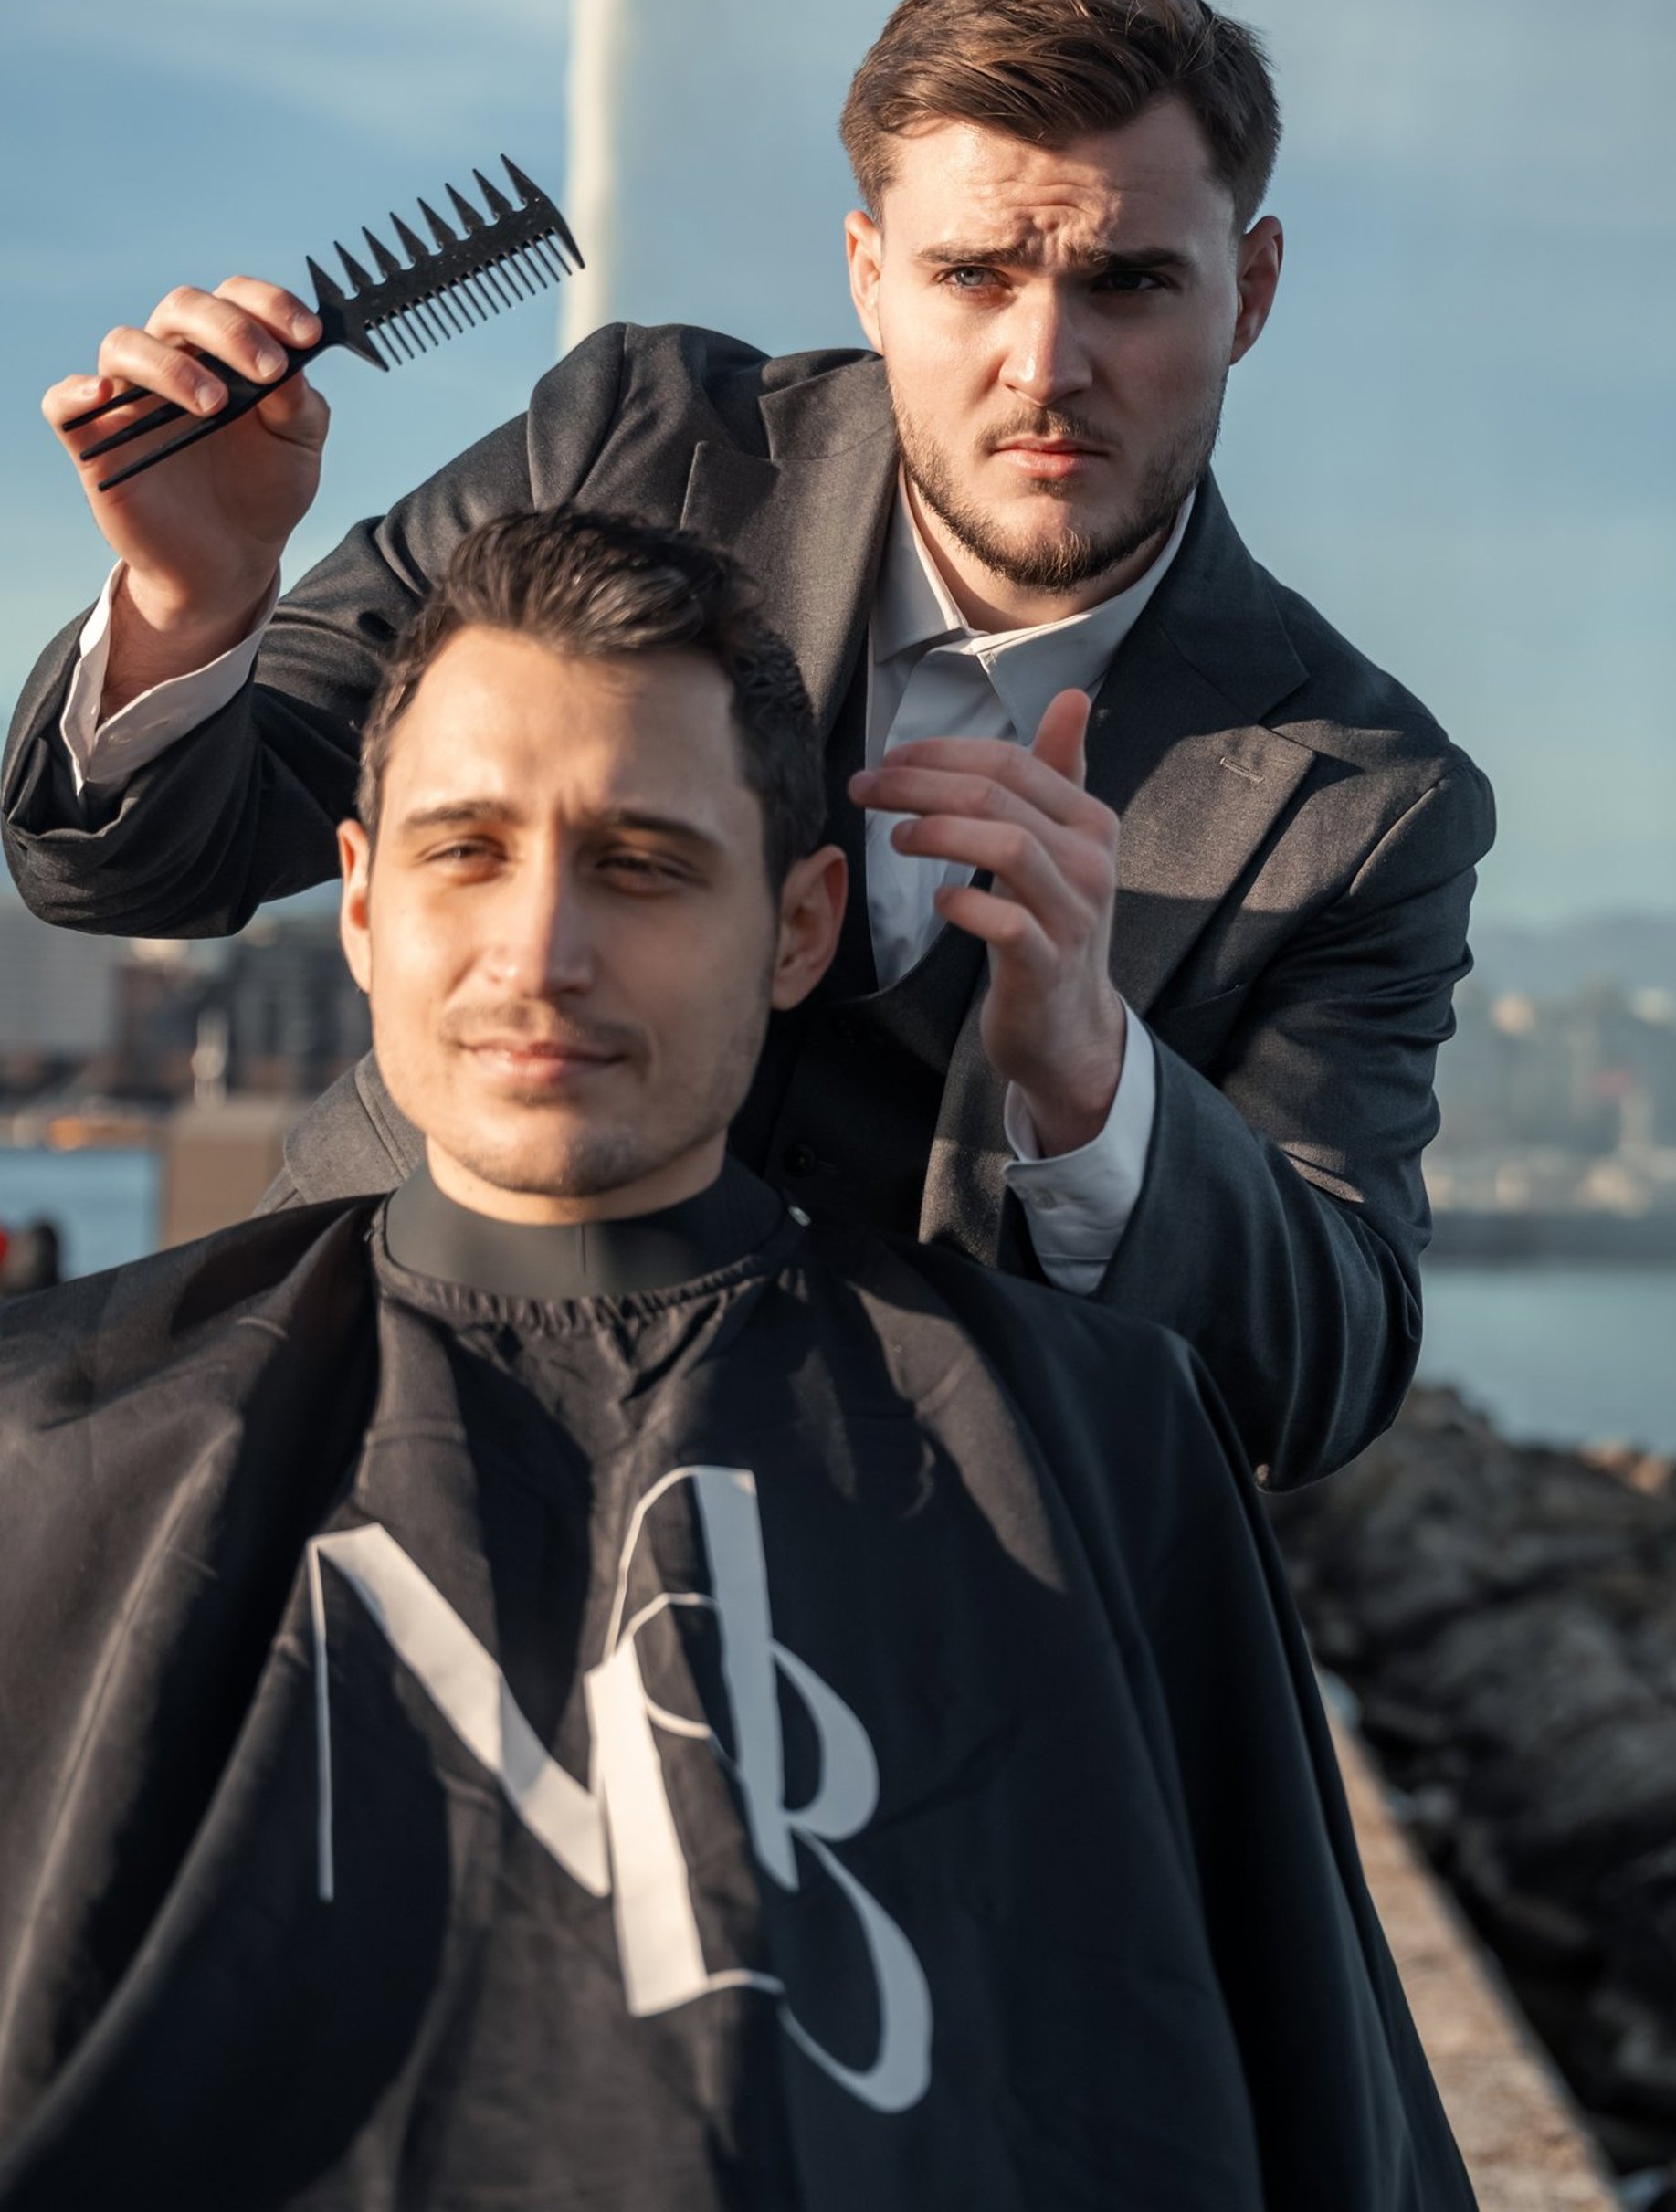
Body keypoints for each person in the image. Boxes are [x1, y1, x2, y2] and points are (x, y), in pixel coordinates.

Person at [0, 511, 1473, 2209]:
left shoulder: (1095, 1450)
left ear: (799, 924)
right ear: (357, 904)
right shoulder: (57, 1433)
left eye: (641, 864)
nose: (540, 953)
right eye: (468, 851)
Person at [3, 0, 1494, 1484]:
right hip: (372, 1416)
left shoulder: (1361, 799)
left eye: (1127, 282)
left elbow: (1323, 1374)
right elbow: (139, 866)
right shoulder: (635, 438)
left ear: (1248, 292)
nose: (1045, 365)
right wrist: (191, 602)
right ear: (868, 274)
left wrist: (1092, 1076)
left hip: (909, 1593)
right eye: (972, 275)